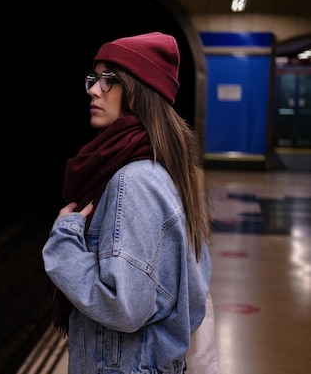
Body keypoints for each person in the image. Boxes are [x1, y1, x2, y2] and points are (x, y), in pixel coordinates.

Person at [42, 32, 214, 374]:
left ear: (139, 92)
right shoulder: (166, 170)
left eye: (109, 80)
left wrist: (62, 244)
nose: (93, 90)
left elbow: (125, 306)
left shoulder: (133, 181)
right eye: (94, 79)